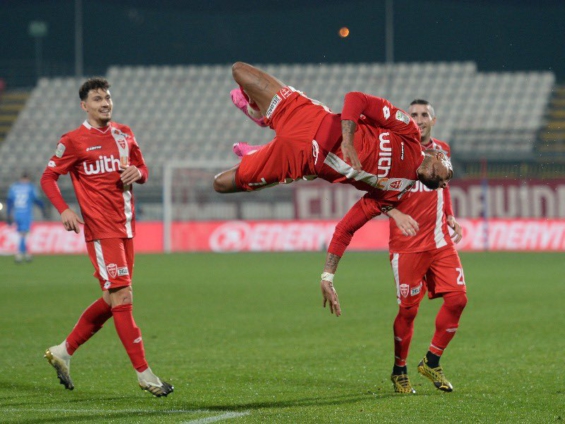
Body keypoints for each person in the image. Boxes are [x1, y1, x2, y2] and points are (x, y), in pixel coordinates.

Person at [320, 99, 467, 394]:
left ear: (433, 121)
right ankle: (400, 369)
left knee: (458, 300)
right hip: (407, 245)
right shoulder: (397, 147)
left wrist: (450, 215)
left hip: (439, 241)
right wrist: (395, 213)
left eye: (424, 114)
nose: (419, 119)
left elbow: (444, 186)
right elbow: (378, 193)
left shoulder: (442, 151)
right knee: (408, 312)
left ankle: (432, 361)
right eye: (414, 114)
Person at [40, 77, 173, 397]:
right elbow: (48, 177)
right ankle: (145, 374)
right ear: (84, 105)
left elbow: (143, 169)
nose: (105, 103)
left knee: (112, 299)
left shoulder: (124, 133)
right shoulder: (73, 140)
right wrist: (64, 209)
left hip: (126, 227)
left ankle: (63, 351)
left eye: (108, 98)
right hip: (101, 231)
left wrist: (139, 173)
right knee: (123, 297)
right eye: (98, 99)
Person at [214, 62, 453, 203]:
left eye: (445, 182)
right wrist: (347, 140)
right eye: (445, 171)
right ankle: (258, 115)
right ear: (435, 153)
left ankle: (263, 153)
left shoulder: (399, 190)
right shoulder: (407, 130)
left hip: (302, 159)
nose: (444, 183)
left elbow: (365, 210)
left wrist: (331, 266)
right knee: (239, 70)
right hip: (308, 117)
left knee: (220, 183)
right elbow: (356, 99)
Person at [5, 172, 46, 262]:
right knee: (24, 234)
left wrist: (8, 213)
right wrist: (43, 208)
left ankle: (26, 253)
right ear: (28, 179)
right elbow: (37, 200)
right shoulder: (30, 187)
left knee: (21, 234)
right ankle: (20, 254)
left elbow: (9, 201)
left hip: (17, 214)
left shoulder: (14, 187)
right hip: (26, 214)